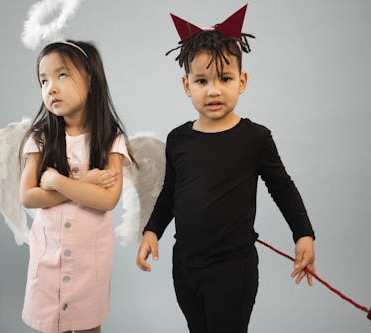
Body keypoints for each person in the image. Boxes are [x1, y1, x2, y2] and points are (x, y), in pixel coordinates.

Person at [136, 5, 316, 333]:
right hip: (185, 265)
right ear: (186, 85)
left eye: (225, 78)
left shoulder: (255, 138)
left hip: (233, 269)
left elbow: (282, 187)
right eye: (201, 80)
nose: (213, 90)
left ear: (242, 81)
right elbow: (170, 193)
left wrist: (303, 233)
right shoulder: (178, 139)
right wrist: (152, 231)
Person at [19, 40, 132, 333]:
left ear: (91, 80)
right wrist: (84, 185)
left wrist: (58, 181)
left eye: (62, 75)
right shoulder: (40, 138)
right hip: (48, 258)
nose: (51, 88)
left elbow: (108, 200)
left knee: (87, 327)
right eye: (43, 80)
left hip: (88, 262)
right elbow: (28, 196)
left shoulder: (111, 141)